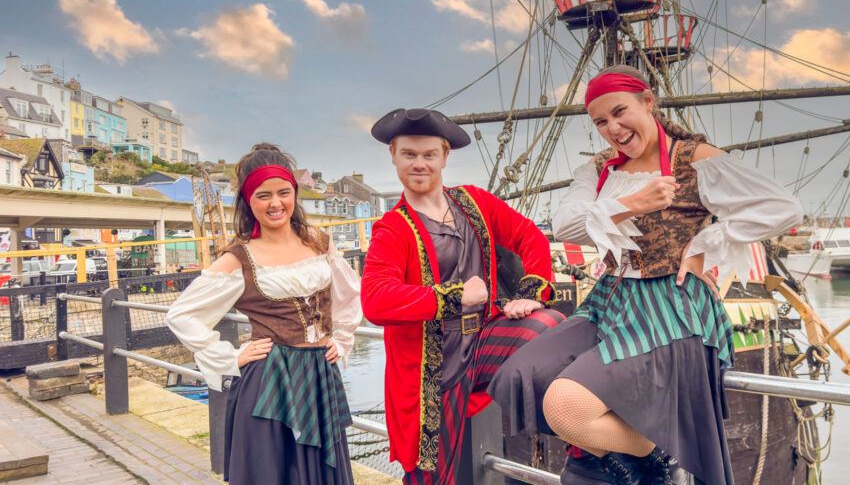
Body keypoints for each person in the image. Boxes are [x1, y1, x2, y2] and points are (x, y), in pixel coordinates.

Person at [489, 66, 804, 485]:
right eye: (601, 121)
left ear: (648, 103)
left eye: (620, 112)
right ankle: (628, 448)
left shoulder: (694, 160)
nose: (613, 128)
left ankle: (657, 450)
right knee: (517, 377)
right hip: (610, 298)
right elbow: (565, 226)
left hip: (672, 308)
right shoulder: (599, 169)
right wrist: (632, 203)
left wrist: (703, 247)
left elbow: (783, 207)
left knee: (565, 405)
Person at [361, 108, 565, 484]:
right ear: (393, 155)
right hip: (431, 370)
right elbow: (375, 299)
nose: (419, 164)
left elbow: (529, 236)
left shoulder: (474, 202)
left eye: (428, 155)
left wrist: (531, 290)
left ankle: (580, 437)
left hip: (483, 342)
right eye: (409, 154)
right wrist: (454, 296)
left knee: (552, 326)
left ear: (444, 156)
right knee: (432, 477)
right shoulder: (392, 228)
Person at [167, 143, 362, 484]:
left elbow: (350, 294)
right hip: (270, 384)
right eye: (263, 195)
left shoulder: (319, 242)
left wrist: (342, 341)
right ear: (248, 201)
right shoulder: (240, 258)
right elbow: (182, 314)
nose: (276, 203)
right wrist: (231, 356)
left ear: (294, 194)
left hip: (319, 377)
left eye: (284, 193)